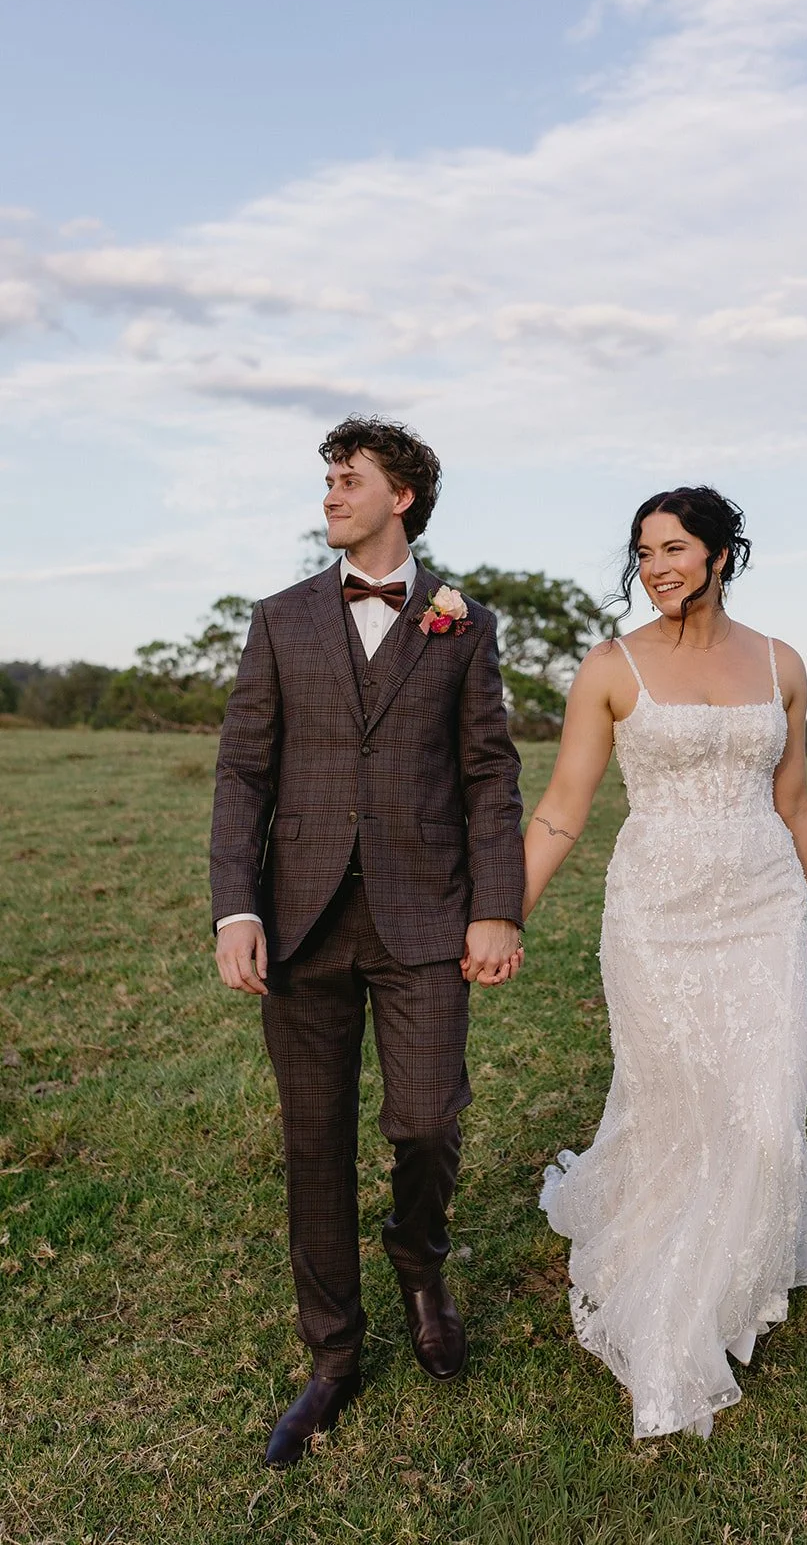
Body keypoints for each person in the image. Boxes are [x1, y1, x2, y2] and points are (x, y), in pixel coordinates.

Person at [210, 416, 525, 1468]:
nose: (331, 492)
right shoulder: (279, 619)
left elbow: (488, 774)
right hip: (296, 918)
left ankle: (419, 1259)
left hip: (428, 912)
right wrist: (236, 906)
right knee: (314, 1142)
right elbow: (243, 773)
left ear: (403, 496)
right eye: (327, 479)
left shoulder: (461, 623)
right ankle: (333, 1358)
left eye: (351, 479)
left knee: (427, 1119)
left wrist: (497, 905)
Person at [523, 486, 807, 1440]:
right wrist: (503, 913)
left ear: (718, 553)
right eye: (643, 552)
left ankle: (724, 1277)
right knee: (680, 1097)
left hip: (764, 906)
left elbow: (795, 805)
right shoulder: (610, 667)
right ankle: (670, 1296)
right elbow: (561, 807)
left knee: (764, 1106)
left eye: (673, 548)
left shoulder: (781, 662)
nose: (657, 566)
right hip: (657, 913)